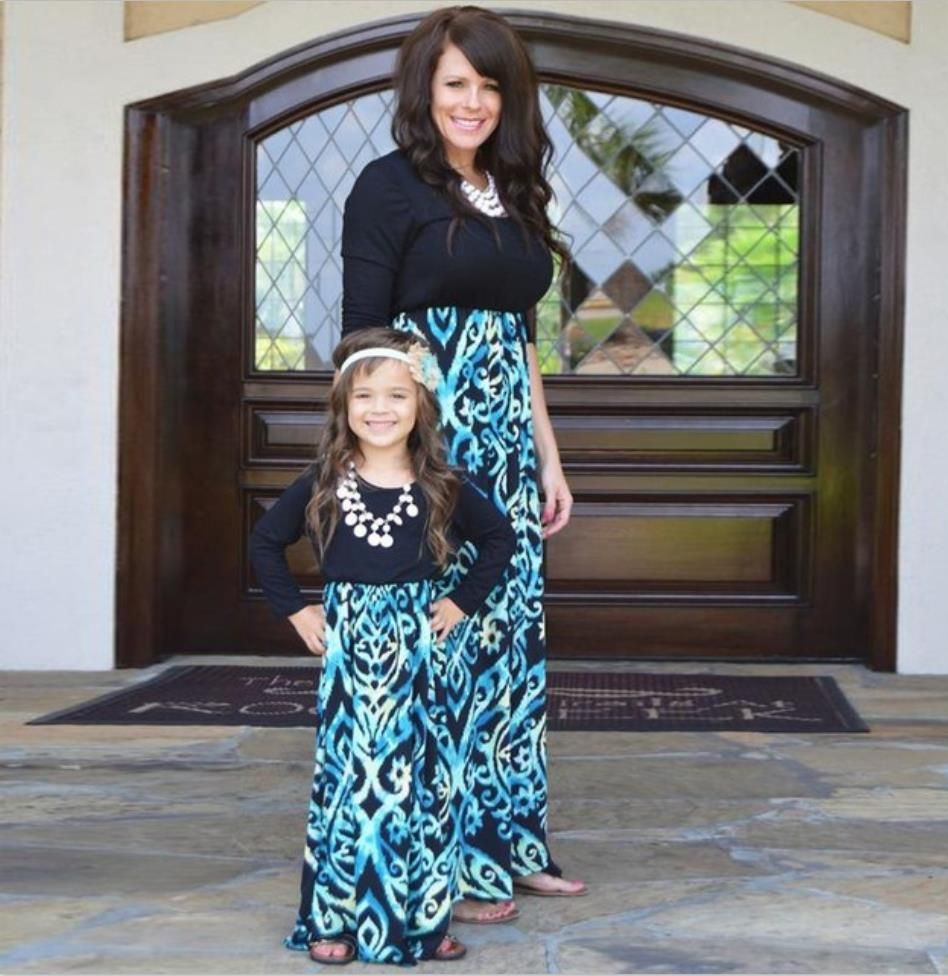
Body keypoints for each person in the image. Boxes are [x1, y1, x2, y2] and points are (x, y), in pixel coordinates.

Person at [340, 5, 587, 924]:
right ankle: (442, 864)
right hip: (431, 456)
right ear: (425, 91)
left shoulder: (515, 192)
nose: (473, 102)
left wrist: (549, 463)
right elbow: (363, 342)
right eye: (456, 84)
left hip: (511, 460)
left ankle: (509, 844)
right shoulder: (388, 188)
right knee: (441, 650)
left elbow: (521, 346)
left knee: (509, 653)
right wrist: (389, 467)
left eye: (489, 86)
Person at [249, 327, 517, 965]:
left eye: (397, 395)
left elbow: (501, 540)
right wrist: (296, 610)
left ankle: (424, 922)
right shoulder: (325, 478)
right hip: (350, 652)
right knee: (347, 783)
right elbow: (265, 541)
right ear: (343, 406)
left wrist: (457, 603)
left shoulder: (441, 483)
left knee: (423, 783)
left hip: (417, 651)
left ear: (421, 405)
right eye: (364, 396)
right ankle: (332, 923)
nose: (380, 409)